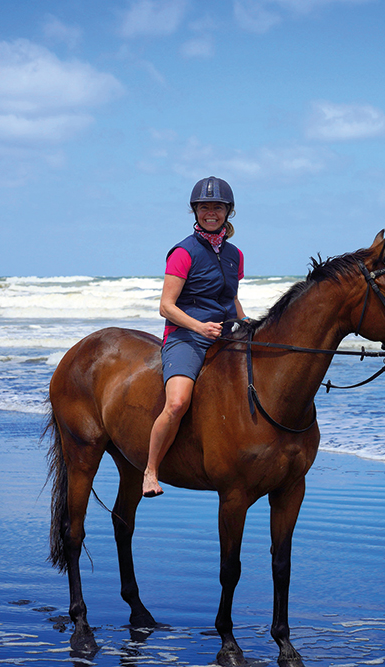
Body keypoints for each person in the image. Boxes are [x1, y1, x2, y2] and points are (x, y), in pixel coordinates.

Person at [142, 176, 247, 498]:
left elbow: (231, 298)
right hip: (185, 337)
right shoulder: (183, 252)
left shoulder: (235, 254)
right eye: (204, 208)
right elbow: (166, 307)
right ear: (195, 212)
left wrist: (246, 324)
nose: (210, 213)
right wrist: (198, 327)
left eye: (217, 207)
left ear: (228, 212)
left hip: (224, 333)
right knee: (177, 403)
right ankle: (150, 470)